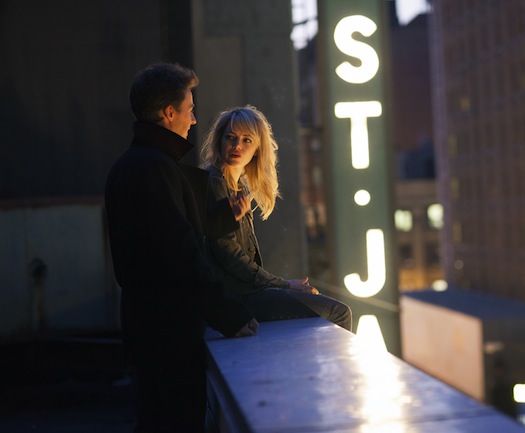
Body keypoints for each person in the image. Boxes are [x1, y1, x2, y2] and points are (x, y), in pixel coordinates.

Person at [104, 63, 258, 433]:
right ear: (168, 112)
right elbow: (180, 251)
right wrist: (229, 314)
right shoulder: (156, 168)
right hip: (168, 331)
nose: (193, 120)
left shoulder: (131, 165)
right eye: (189, 109)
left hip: (147, 325)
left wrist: (222, 218)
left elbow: (162, 235)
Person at [200, 105, 353, 331]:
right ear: (220, 140)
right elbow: (229, 255)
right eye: (230, 137)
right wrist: (284, 285)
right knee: (339, 312)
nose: (236, 145)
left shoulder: (237, 185)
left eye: (246, 140)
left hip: (243, 292)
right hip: (235, 299)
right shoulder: (215, 182)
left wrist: (281, 286)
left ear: (257, 149)